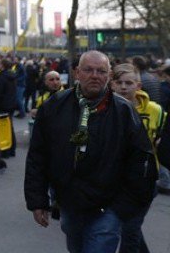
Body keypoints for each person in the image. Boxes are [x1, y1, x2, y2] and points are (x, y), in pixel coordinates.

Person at [25, 51, 158, 253]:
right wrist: (38, 200)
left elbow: (141, 161)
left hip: (108, 208)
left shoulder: (123, 111)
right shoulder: (54, 107)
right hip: (70, 204)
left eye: (101, 71)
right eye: (88, 70)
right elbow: (38, 156)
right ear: (77, 73)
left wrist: (123, 208)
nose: (94, 75)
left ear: (108, 75)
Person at [111, 63, 166, 253]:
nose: (124, 87)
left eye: (129, 83)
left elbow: (164, 135)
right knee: (130, 228)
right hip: (115, 180)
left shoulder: (155, 110)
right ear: (112, 85)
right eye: (119, 82)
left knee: (129, 229)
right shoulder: (103, 110)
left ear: (138, 86)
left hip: (146, 180)